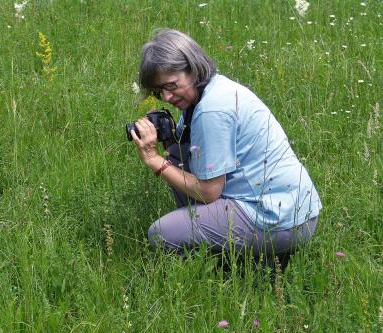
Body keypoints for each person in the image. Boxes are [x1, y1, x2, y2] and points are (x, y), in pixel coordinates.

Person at [130, 29, 322, 269]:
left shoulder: (211, 110)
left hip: (277, 221)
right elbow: (187, 155)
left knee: (160, 233)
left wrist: (153, 159)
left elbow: (209, 191)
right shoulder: (213, 89)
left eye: (171, 85)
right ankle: (226, 245)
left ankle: (227, 269)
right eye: (159, 91)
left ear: (193, 67)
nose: (167, 97)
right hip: (297, 211)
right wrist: (169, 139)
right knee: (178, 154)